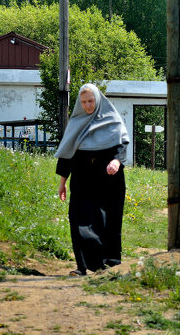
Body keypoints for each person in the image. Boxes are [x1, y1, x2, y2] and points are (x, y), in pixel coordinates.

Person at [55, 82, 129, 276]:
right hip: (82, 179)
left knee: (108, 220)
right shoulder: (75, 123)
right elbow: (66, 153)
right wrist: (62, 182)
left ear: (98, 100)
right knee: (79, 219)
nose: (88, 105)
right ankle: (82, 266)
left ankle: (109, 264)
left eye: (91, 101)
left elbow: (122, 145)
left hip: (109, 179)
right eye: (84, 102)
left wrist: (117, 161)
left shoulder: (112, 120)